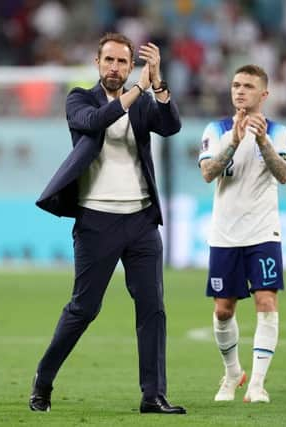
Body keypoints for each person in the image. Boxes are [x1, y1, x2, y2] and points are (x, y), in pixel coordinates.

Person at [29, 32, 186, 415]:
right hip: (96, 220)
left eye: (123, 61)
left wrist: (159, 84)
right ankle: (43, 379)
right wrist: (137, 91)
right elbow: (98, 121)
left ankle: (153, 395)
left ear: (131, 65)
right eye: (109, 60)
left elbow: (170, 126)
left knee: (153, 307)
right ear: (97, 64)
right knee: (84, 308)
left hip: (141, 219)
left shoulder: (145, 102)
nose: (115, 67)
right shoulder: (79, 99)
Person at [198, 64, 286, 403]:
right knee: (223, 310)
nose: (240, 91)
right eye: (236, 85)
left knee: (266, 302)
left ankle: (257, 384)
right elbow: (208, 172)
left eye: (248, 86)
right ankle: (233, 373)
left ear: (264, 94)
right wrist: (235, 141)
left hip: (263, 232)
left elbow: (284, 174)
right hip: (225, 234)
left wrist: (262, 141)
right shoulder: (217, 129)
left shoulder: (279, 132)